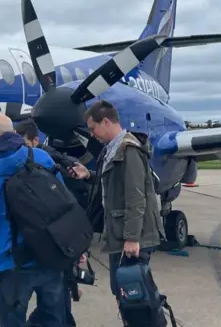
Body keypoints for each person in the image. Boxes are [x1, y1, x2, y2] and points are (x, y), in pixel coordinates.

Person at [0, 113, 67, 327]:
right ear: (14, 134)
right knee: (54, 319)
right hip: (50, 253)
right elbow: (63, 203)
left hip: (12, 262)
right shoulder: (41, 158)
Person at [67, 100, 163, 309]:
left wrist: (132, 238)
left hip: (131, 237)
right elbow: (111, 182)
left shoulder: (128, 150)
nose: (92, 134)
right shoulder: (111, 149)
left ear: (107, 122)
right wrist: (89, 174)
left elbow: (136, 197)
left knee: (134, 293)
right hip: (118, 233)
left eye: (93, 128)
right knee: (122, 289)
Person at [15, 118, 81, 327]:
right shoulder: (40, 159)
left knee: (56, 304)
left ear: (35, 141)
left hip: (51, 244)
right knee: (55, 305)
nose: (20, 149)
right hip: (46, 246)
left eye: (23, 143)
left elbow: (63, 204)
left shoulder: (47, 160)